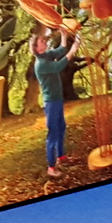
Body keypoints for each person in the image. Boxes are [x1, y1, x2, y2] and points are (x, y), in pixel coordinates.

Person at [34, 29, 80, 178]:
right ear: (37, 48)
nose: (45, 41)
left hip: (57, 99)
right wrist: (73, 50)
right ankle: (51, 167)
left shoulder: (46, 55)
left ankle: (61, 157)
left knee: (61, 128)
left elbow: (60, 50)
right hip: (51, 103)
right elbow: (59, 66)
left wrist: (64, 36)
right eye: (41, 41)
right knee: (53, 133)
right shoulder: (41, 64)